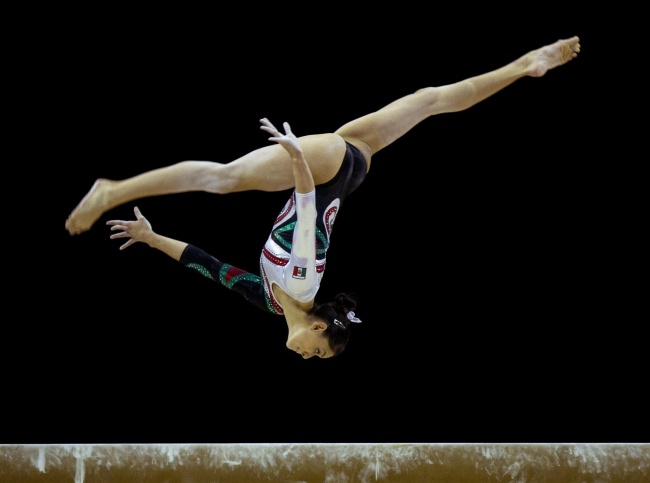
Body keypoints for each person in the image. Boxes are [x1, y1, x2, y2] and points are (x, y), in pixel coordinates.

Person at [65, 36, 581, 359]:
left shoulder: (272, 300)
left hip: (350, 169)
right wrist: (296, 157)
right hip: (325, 169)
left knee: (429, 101)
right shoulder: (301, 283)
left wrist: (152, 237)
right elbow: (307, 210)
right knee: (223, 178)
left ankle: (523, 66)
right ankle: (114, 189)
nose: (310, 358)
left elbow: (210, 266)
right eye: (320, 352)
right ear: (317, 324)